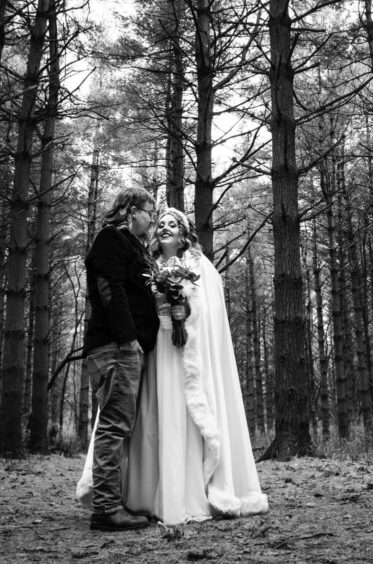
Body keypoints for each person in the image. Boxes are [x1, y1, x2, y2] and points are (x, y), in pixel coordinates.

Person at [92, 207, 268, 525]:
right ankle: (144, 496)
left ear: (184, 233)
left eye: (172, 224)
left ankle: (188, 491)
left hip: (184, 351)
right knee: (150, 416)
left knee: (182, 416)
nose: (164, 228)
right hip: (153, 349)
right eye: (160, 224)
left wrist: (182, 309)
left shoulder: (200, 266)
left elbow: (210, 312)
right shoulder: (147, 265)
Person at [79, 186, 159, 532]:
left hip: (123, 346)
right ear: (130, 210)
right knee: (113, 425)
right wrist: (128, 339)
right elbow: (110, 290)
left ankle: (113, 502)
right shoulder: (110, 239)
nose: (151, 220)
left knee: (119, 423)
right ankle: (107, 509)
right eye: (148, 212)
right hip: (114, 347)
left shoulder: (132, 246)